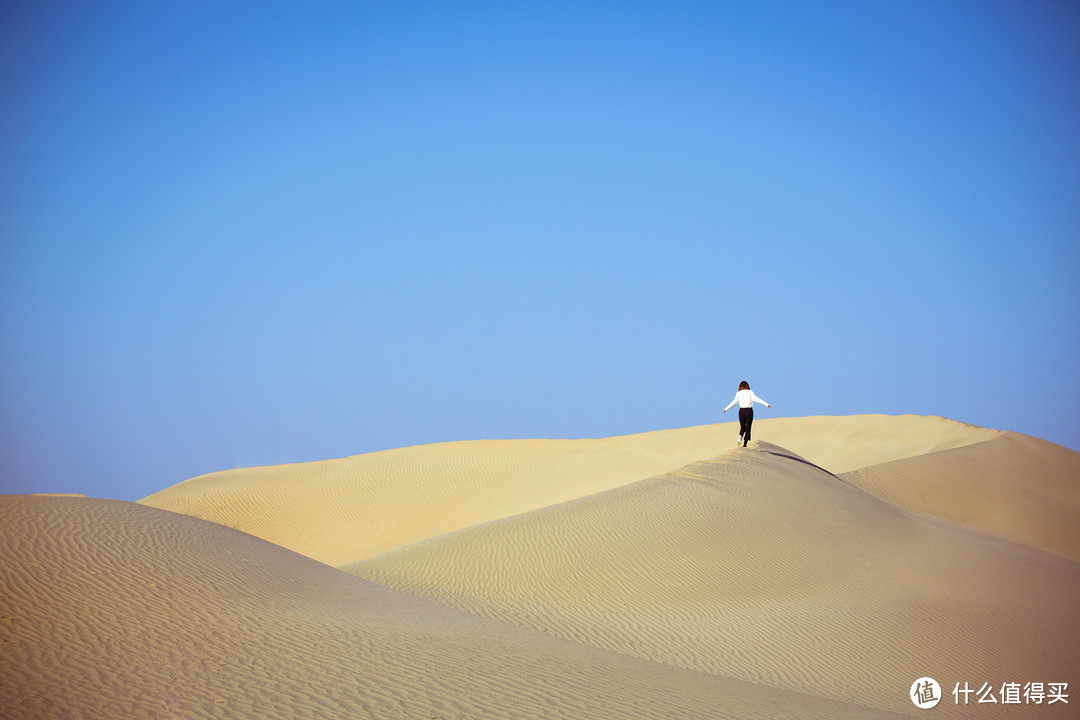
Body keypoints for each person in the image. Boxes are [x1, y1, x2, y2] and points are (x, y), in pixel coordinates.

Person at [723, 381, 771, 447]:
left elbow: (734, 402)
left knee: (742, 427)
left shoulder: (738, 393)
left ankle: (740, 436)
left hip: (741, 411)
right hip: (749, 411)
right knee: (748, 427)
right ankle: (745, 444)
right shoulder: (750, 392)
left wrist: (726, 408)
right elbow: (756, 399)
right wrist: (766, 404)